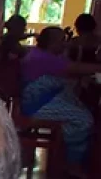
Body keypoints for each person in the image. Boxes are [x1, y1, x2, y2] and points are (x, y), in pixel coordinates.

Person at [21, 26, 101, 167]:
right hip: (37, 106)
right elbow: (76, 68)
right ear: (52, 43)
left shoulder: (40, 54)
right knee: (84, 119)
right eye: (62, 40)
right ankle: (73, 164)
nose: (65, 43)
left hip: (42, 100)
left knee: (81, 107)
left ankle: (68, 152)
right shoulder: (44, 58)